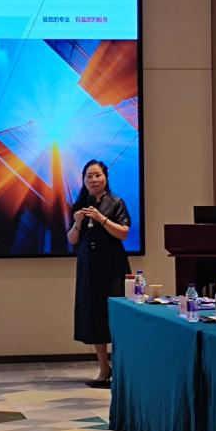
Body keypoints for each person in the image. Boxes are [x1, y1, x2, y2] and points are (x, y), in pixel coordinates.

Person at [67, 159, 131, 387]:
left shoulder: (116, 202)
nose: (93, 180)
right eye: (89, 176)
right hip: (88, 268)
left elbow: (123, 233)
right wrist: (77, 223)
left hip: (112, 267)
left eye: (98, 175)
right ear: (83, 180)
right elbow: (72, 240)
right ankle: (104, 368)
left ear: (105, 178)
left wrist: (101, 218)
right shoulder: (79, 205)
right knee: (94, 317)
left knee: (115, 316)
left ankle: (122, 368)